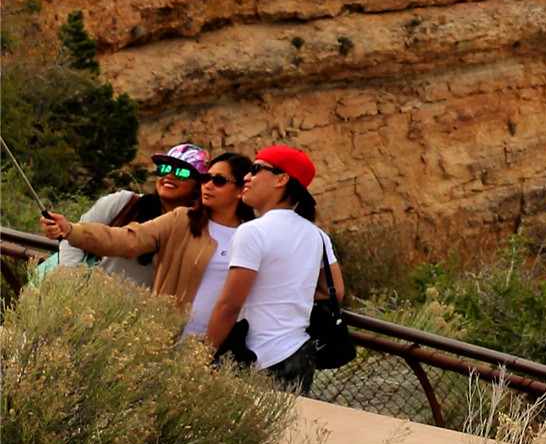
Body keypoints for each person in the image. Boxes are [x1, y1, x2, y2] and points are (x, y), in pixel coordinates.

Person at [41, 150, 255, 335]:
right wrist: (70, 232)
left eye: (181, 171)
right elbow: (124, 239)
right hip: (132, 326)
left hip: (204, 343)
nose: (170, 175)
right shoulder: (180, 219)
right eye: (206, 178)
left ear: (240, 189)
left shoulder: (251, 235)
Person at [200, 145, 344, 395]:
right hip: (298, 355)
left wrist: (204, 358)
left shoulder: (252, 232)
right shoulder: (317, 235)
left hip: (256, 359)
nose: (247, 177)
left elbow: (229, 306)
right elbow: (334, 292)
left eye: (255, 170)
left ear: (282, 179)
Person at [46, 146, 207, 284]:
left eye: (182, 172)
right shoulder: (124, 203)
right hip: (91, 306)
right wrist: (69, 283)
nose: (169, 175)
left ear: (199, 186)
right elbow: (73, 241)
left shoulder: (199, 229)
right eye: (164, 168)